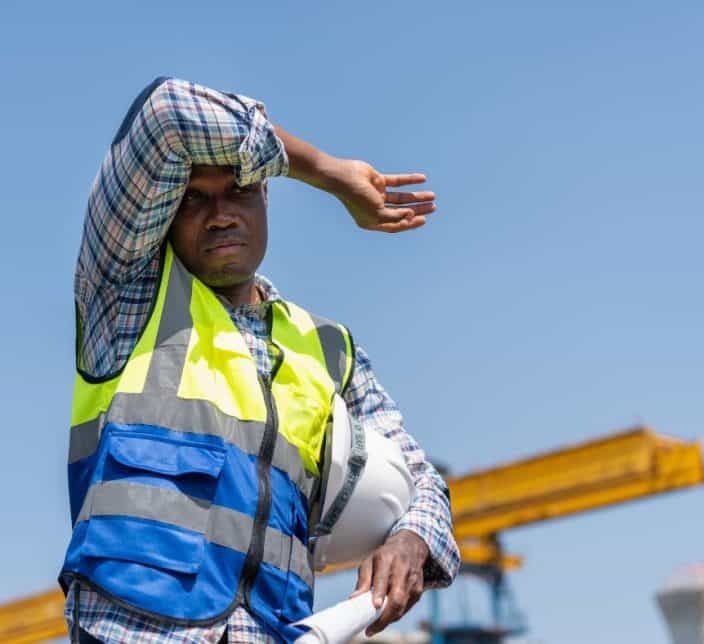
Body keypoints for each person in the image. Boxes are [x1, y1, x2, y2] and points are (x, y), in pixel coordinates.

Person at [60, 77, 459, 644]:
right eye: (193, 198)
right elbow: (167, 111)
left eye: (240, 189)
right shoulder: (128, 297)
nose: (220, 214)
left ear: (265, 198)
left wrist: (411, 540)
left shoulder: (327, 348)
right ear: (164, 215)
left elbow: (424, 484)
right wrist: (328, 171)